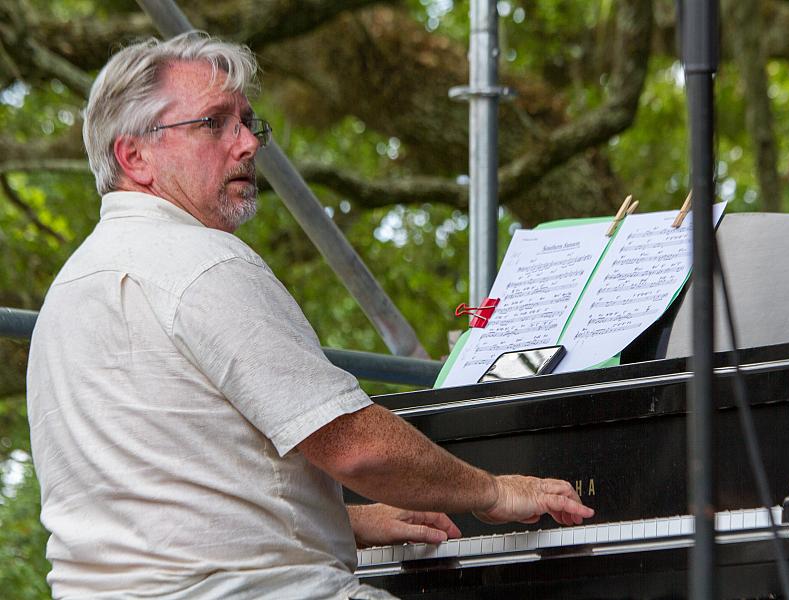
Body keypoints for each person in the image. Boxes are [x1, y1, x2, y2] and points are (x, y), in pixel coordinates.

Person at [26, 32, 593, 600]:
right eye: (215, 123)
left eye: (248, 122)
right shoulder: (201, 262)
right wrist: (492, 491)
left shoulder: (64, 299)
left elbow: (164, 508)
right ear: (135, 156)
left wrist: (347, 523)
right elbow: (356, 448)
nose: (248, 143)